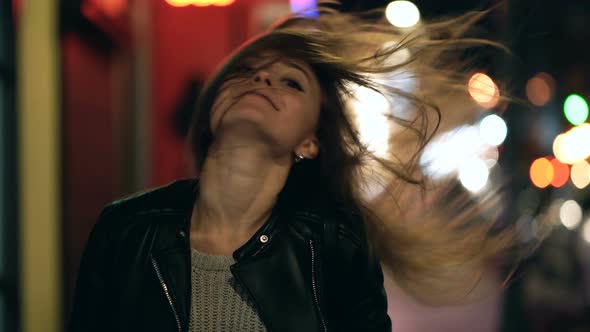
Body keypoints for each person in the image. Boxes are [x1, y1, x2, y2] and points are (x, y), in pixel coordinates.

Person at [68, 3, 515, 332]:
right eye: (245, 71)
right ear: (211, 109)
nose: (261, 79)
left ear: (310, 140)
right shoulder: (125, 230)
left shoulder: (334, 245)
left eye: (290, 82)